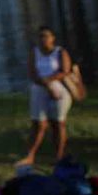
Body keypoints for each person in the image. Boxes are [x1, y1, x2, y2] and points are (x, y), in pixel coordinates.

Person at [16, 25, 73, 166]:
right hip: (39, 88)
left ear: (52, 38)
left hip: (58, 89)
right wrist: (45, 84)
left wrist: (50, 81)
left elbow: (65, 71)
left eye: (46, 36)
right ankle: (30, 155)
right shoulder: (34, 52)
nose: (43, 39)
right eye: (40, 36)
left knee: (58, 123)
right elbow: (32, 72)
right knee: (38, 124)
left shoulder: (60, 52)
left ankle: (59, 157)